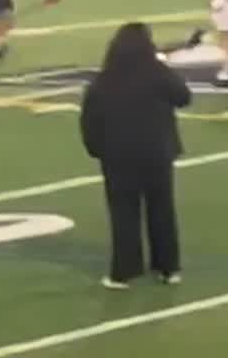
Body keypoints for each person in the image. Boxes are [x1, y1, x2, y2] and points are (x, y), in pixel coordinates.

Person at [79, 22, 190, 289]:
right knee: (161, 209)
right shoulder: (157, 73)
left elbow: (89, 119)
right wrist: (165, 68)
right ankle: (168, 267)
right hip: (157, 152)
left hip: (117, 154)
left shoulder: (104, 79)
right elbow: (183, 97)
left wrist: (96, 149)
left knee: (123, 213)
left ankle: (124, 271)